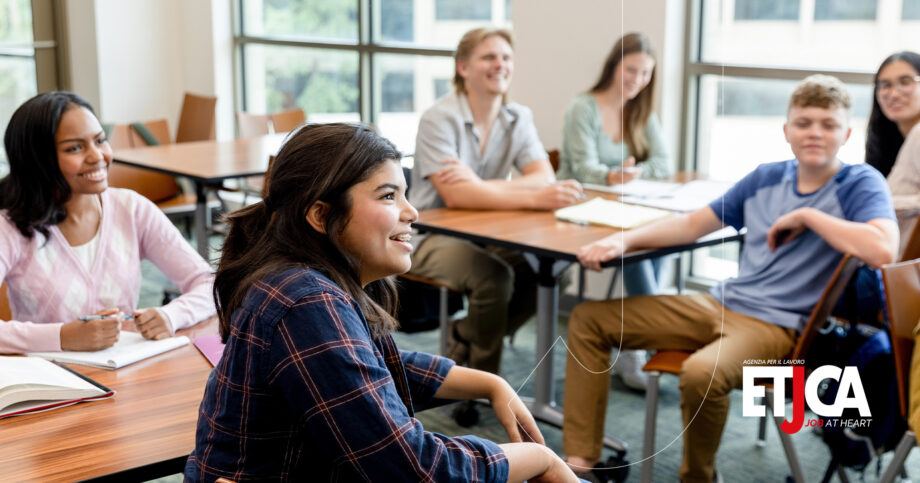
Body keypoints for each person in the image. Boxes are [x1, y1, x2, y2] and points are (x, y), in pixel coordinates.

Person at [184, 123, 579, 482]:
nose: (412, 212)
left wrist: (489, 383)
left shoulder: (304, 278)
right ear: (321, 215)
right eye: (389, 196)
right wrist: (538, 459)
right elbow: (415, 470)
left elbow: (361, 365)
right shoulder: (306, 302)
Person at [561, 75, 898, 483]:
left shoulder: (860, 183)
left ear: (846, 133)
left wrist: (808, 216)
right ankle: (581, 463)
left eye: (827, 125)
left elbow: (884, 249)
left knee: (701, 373)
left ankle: (698, 477)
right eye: (804, 122)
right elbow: (691, 225)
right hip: (721, 304)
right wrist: (623, 242)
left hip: (778, 326)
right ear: (787, 131)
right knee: (588, 320)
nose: (815, 133)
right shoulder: (766, 177)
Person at [408, 27, 584, 380]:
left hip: (487, 231)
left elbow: (542, 177)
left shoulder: (518, 117)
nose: (499, 65)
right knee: (493, 277)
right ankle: (483, 384)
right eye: (488, 57)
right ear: (463, 68)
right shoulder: (439, 118)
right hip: (428, 235)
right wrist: (528, 195)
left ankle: (466, 335)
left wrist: (477, 185)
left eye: (506, 58)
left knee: (553, 272)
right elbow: (456, 196)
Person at [0, 91, 215, 353]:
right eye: (75, 148)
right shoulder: (9, 225)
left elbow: (209, 283)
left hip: (124, 370)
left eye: (100, 140)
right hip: (49, 380)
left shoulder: (132, 209)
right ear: (37, 159)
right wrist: (62, 337)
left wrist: (173, 315)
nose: (97, 156)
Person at [557, 32, 671, 391]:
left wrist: (631, 174)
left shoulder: (640, 111)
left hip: (621, 207)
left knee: (657, 237)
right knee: (635, 245)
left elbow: (664, 163)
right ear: (613, 66)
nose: (638, 80)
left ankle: (635, 341)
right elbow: (580, 167)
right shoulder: (584, 107)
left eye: (645, 73)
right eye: (631, 70)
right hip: (577, 209)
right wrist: (610, 174)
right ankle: (643, 340)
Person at [866, 50, 920, 258]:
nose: (894, 93)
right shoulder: (894, 142)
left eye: (905, 81)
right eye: (885, 85)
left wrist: (876, 202)